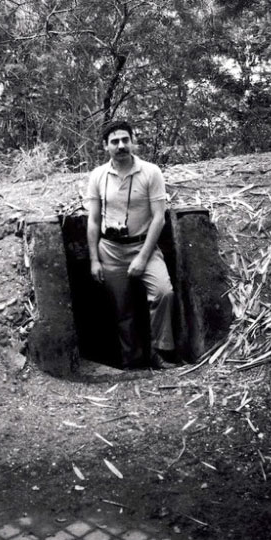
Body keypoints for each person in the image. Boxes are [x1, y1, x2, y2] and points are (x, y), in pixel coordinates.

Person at [86, 120, 176, 369]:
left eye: (125, 140)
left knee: (163, 293)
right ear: (106, 146)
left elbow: (159, 217)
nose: (121, 145)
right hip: (110, 250)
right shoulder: (97, 176)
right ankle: (131, 361)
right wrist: (94, 259)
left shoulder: (151, 172)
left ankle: (160, 352)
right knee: (121, 309)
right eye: (114, 141)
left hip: (143, 246)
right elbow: (93, 220)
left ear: (133, 141)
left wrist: (142, 257)